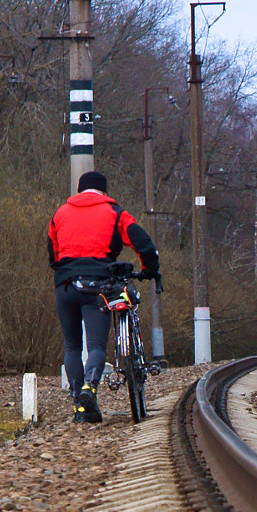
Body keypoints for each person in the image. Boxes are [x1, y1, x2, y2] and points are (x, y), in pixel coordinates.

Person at [47, 171, 159, 423]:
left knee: (72, 346)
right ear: (104, 192)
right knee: (96, 346)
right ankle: (90, 387)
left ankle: (79, 406)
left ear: (79, 190)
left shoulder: (60, 214)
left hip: (65, 285)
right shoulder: (115, 213)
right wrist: (150, 269)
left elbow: (52, 255)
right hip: (98, 286)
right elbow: (144, 244)